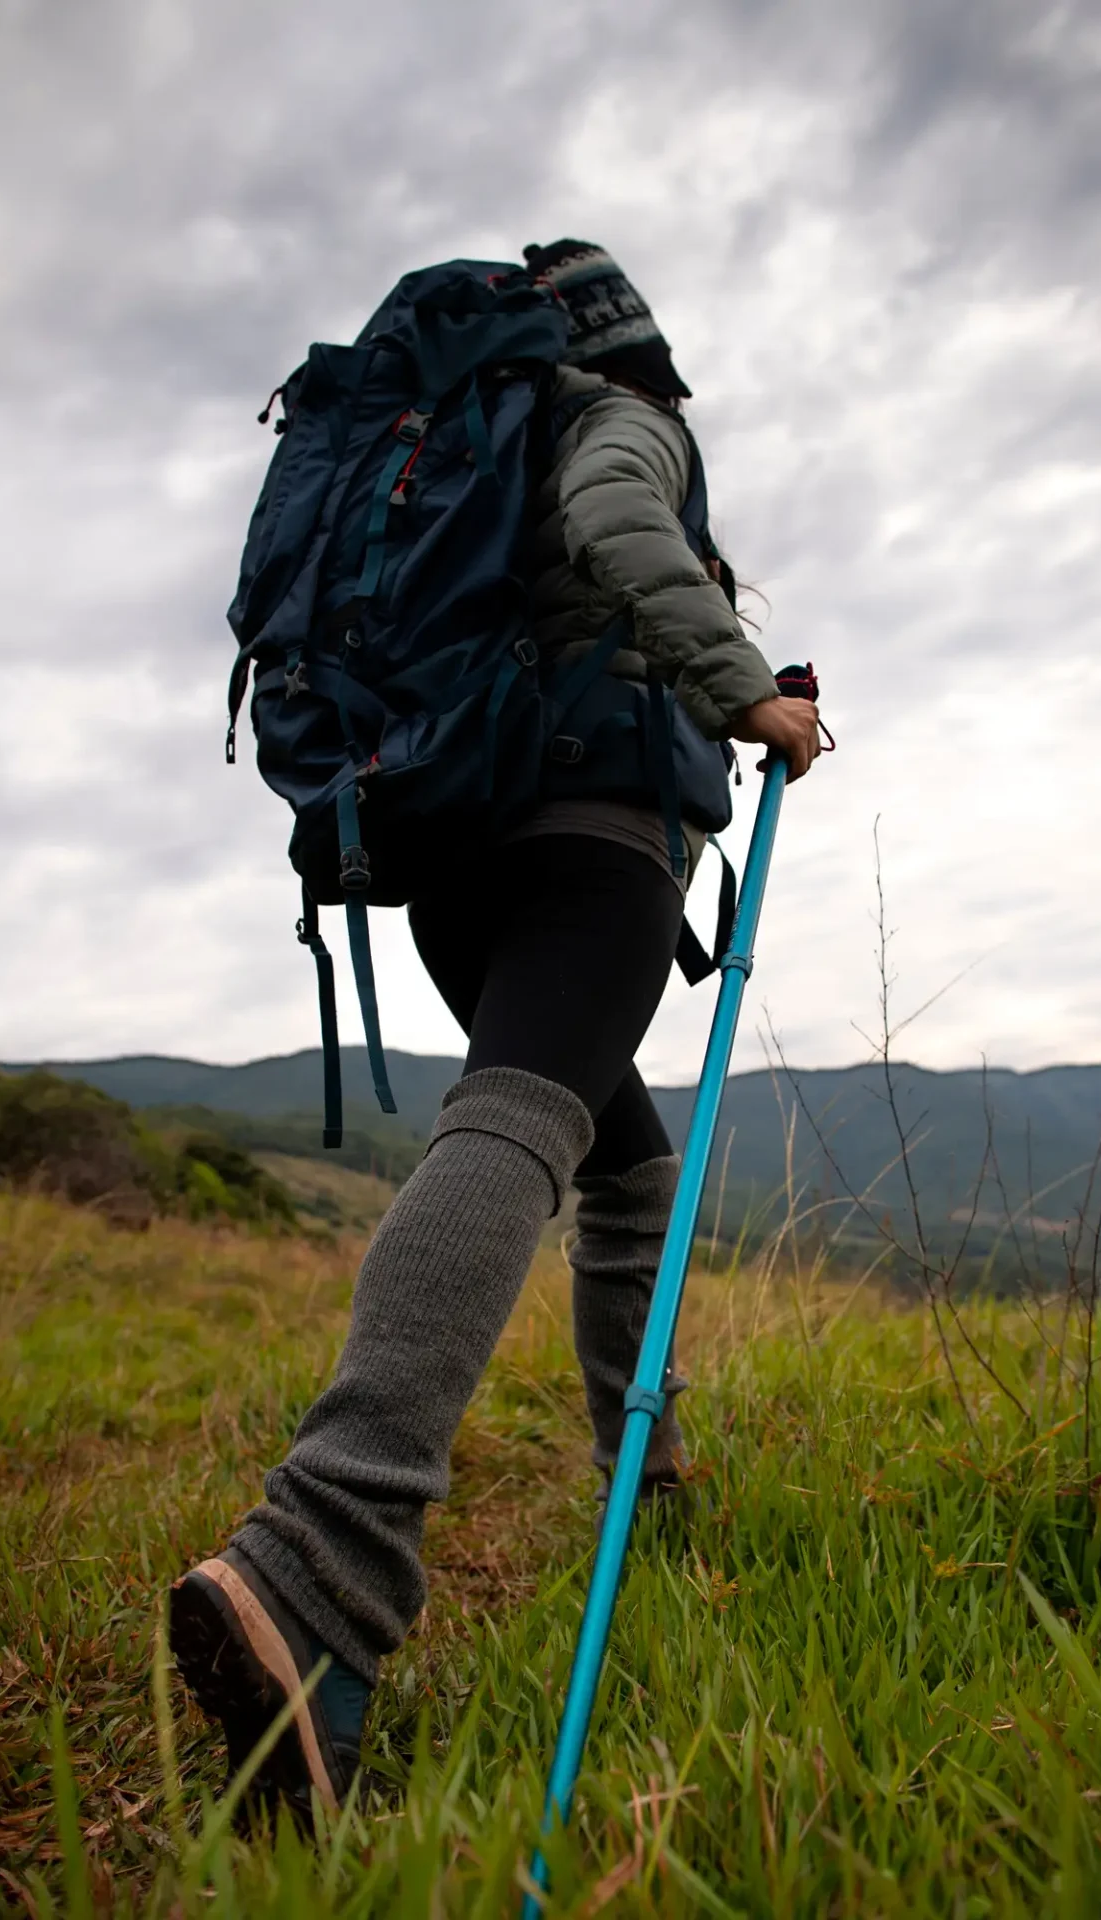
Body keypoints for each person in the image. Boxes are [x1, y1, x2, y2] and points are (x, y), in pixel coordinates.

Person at [168, 240, 821, 1819]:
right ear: (645, 348)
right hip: (585, 832)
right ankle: (314, 1565)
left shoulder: (472, 428)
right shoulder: (624, 422)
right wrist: (754, 700)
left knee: (617, 1160)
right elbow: (613, 528)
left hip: (446, 852)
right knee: (524, 1129)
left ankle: (640, 1471)